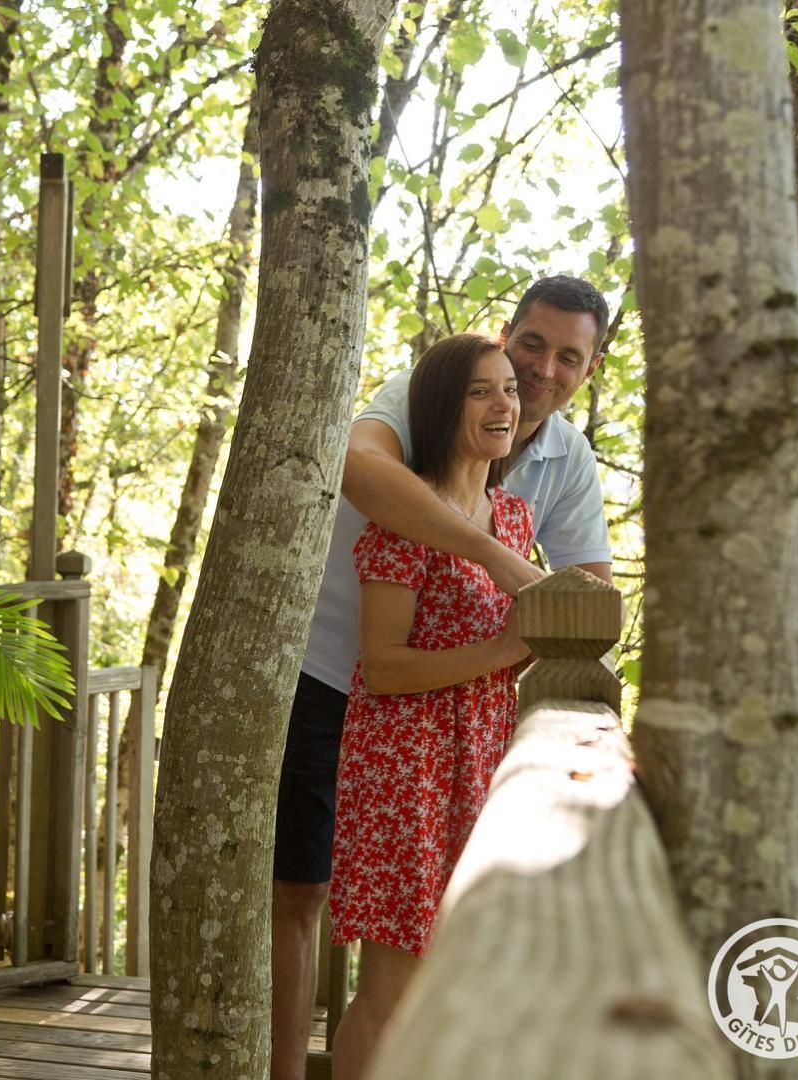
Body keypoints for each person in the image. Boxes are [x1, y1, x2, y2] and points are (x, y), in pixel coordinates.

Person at [269, 276, 615, 1080]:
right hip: (334, 680)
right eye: (531, 344)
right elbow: (360, 472)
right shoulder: (425, 393)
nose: (540, 370)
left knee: (442, 956)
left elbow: (590, 598)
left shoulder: (560, 465)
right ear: (507, 332)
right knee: (303, 894)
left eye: (569, 356)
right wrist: (504, 571)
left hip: (468, 741)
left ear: (588, 370)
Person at [325, 333, 533, 1079]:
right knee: (393, 985)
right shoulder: (407, 518)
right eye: (481, 390)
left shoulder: (512, 520)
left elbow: (521, 640)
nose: (503, 403)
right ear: (444, 407)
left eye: (509, 387)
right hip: (403, 765)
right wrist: (506, 651)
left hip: (481, 762)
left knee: (454, 975)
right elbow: (381, 669)